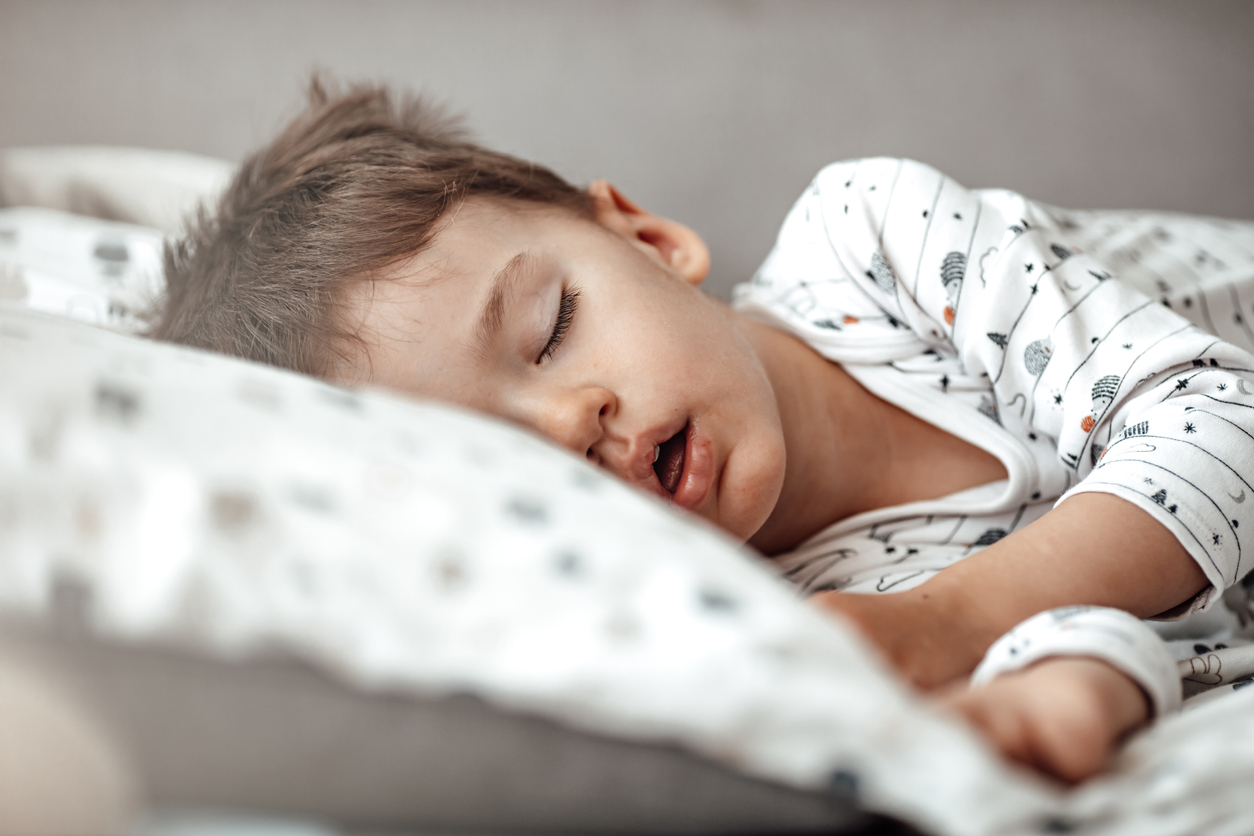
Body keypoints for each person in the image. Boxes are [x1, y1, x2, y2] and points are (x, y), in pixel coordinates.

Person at [153, 80, 1254, 783]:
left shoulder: (879, 245)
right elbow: (1167, 611)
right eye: (502, 461)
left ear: (645, 235)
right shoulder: (779, 605)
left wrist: (944, 621)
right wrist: (1069, 678)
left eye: (552, 328)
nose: (567, 425)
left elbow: (1220, 428)